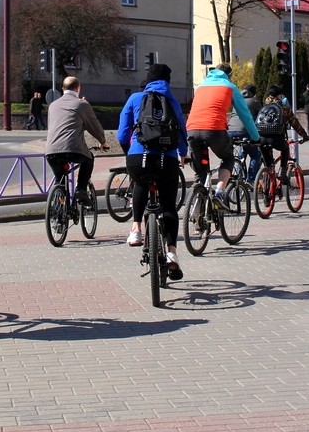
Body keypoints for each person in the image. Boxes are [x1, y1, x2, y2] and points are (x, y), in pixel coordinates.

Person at [116, 63, 189, 279]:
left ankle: (136, 229)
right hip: (166, 159)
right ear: (167, 81)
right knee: (168, 205)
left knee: (140, 182)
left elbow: (122, 133)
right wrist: (182, 154)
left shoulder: (135, 99)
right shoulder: (172, 101)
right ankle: (172, 254)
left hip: (140, 157)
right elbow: (182, 131)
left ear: (147, 80)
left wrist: (129, 151)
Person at [185, 63, 260, 206]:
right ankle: (219, 192)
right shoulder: (230, 87)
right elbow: (245, 115)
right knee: (227, 157)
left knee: (200, 172)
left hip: (192, 129)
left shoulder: (200, 87)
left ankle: (198, 217)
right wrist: (256, 137)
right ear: (229, 75)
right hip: (214, 129)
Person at [45, 76, 109, 204]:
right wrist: (102, 141)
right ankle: (81, 190)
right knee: (89, 159)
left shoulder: (52, 105)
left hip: (51, 150)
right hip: (73, 149)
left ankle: (59, 215)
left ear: (63, 89)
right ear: (78, 88)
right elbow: (94, 126)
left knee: (60, 181)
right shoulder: (82, 104)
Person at [257, 85, 308, 188]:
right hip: (276, 139)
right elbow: (295, 124)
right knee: (285, 149)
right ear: (280, 96)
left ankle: (267, 184)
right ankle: (282, 171)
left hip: (261, 139)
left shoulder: (264, 107)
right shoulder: (285, 109)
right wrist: (304, 135)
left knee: (268, 164)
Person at [227, 83, 263, 180]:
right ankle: (250, 180)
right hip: (244, 130)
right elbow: (261, 116)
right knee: (255, 156)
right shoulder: (254, 101)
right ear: (253, 93)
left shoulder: (237, 99)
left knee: (241, 153)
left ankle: (238, 174)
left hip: (230, 130)